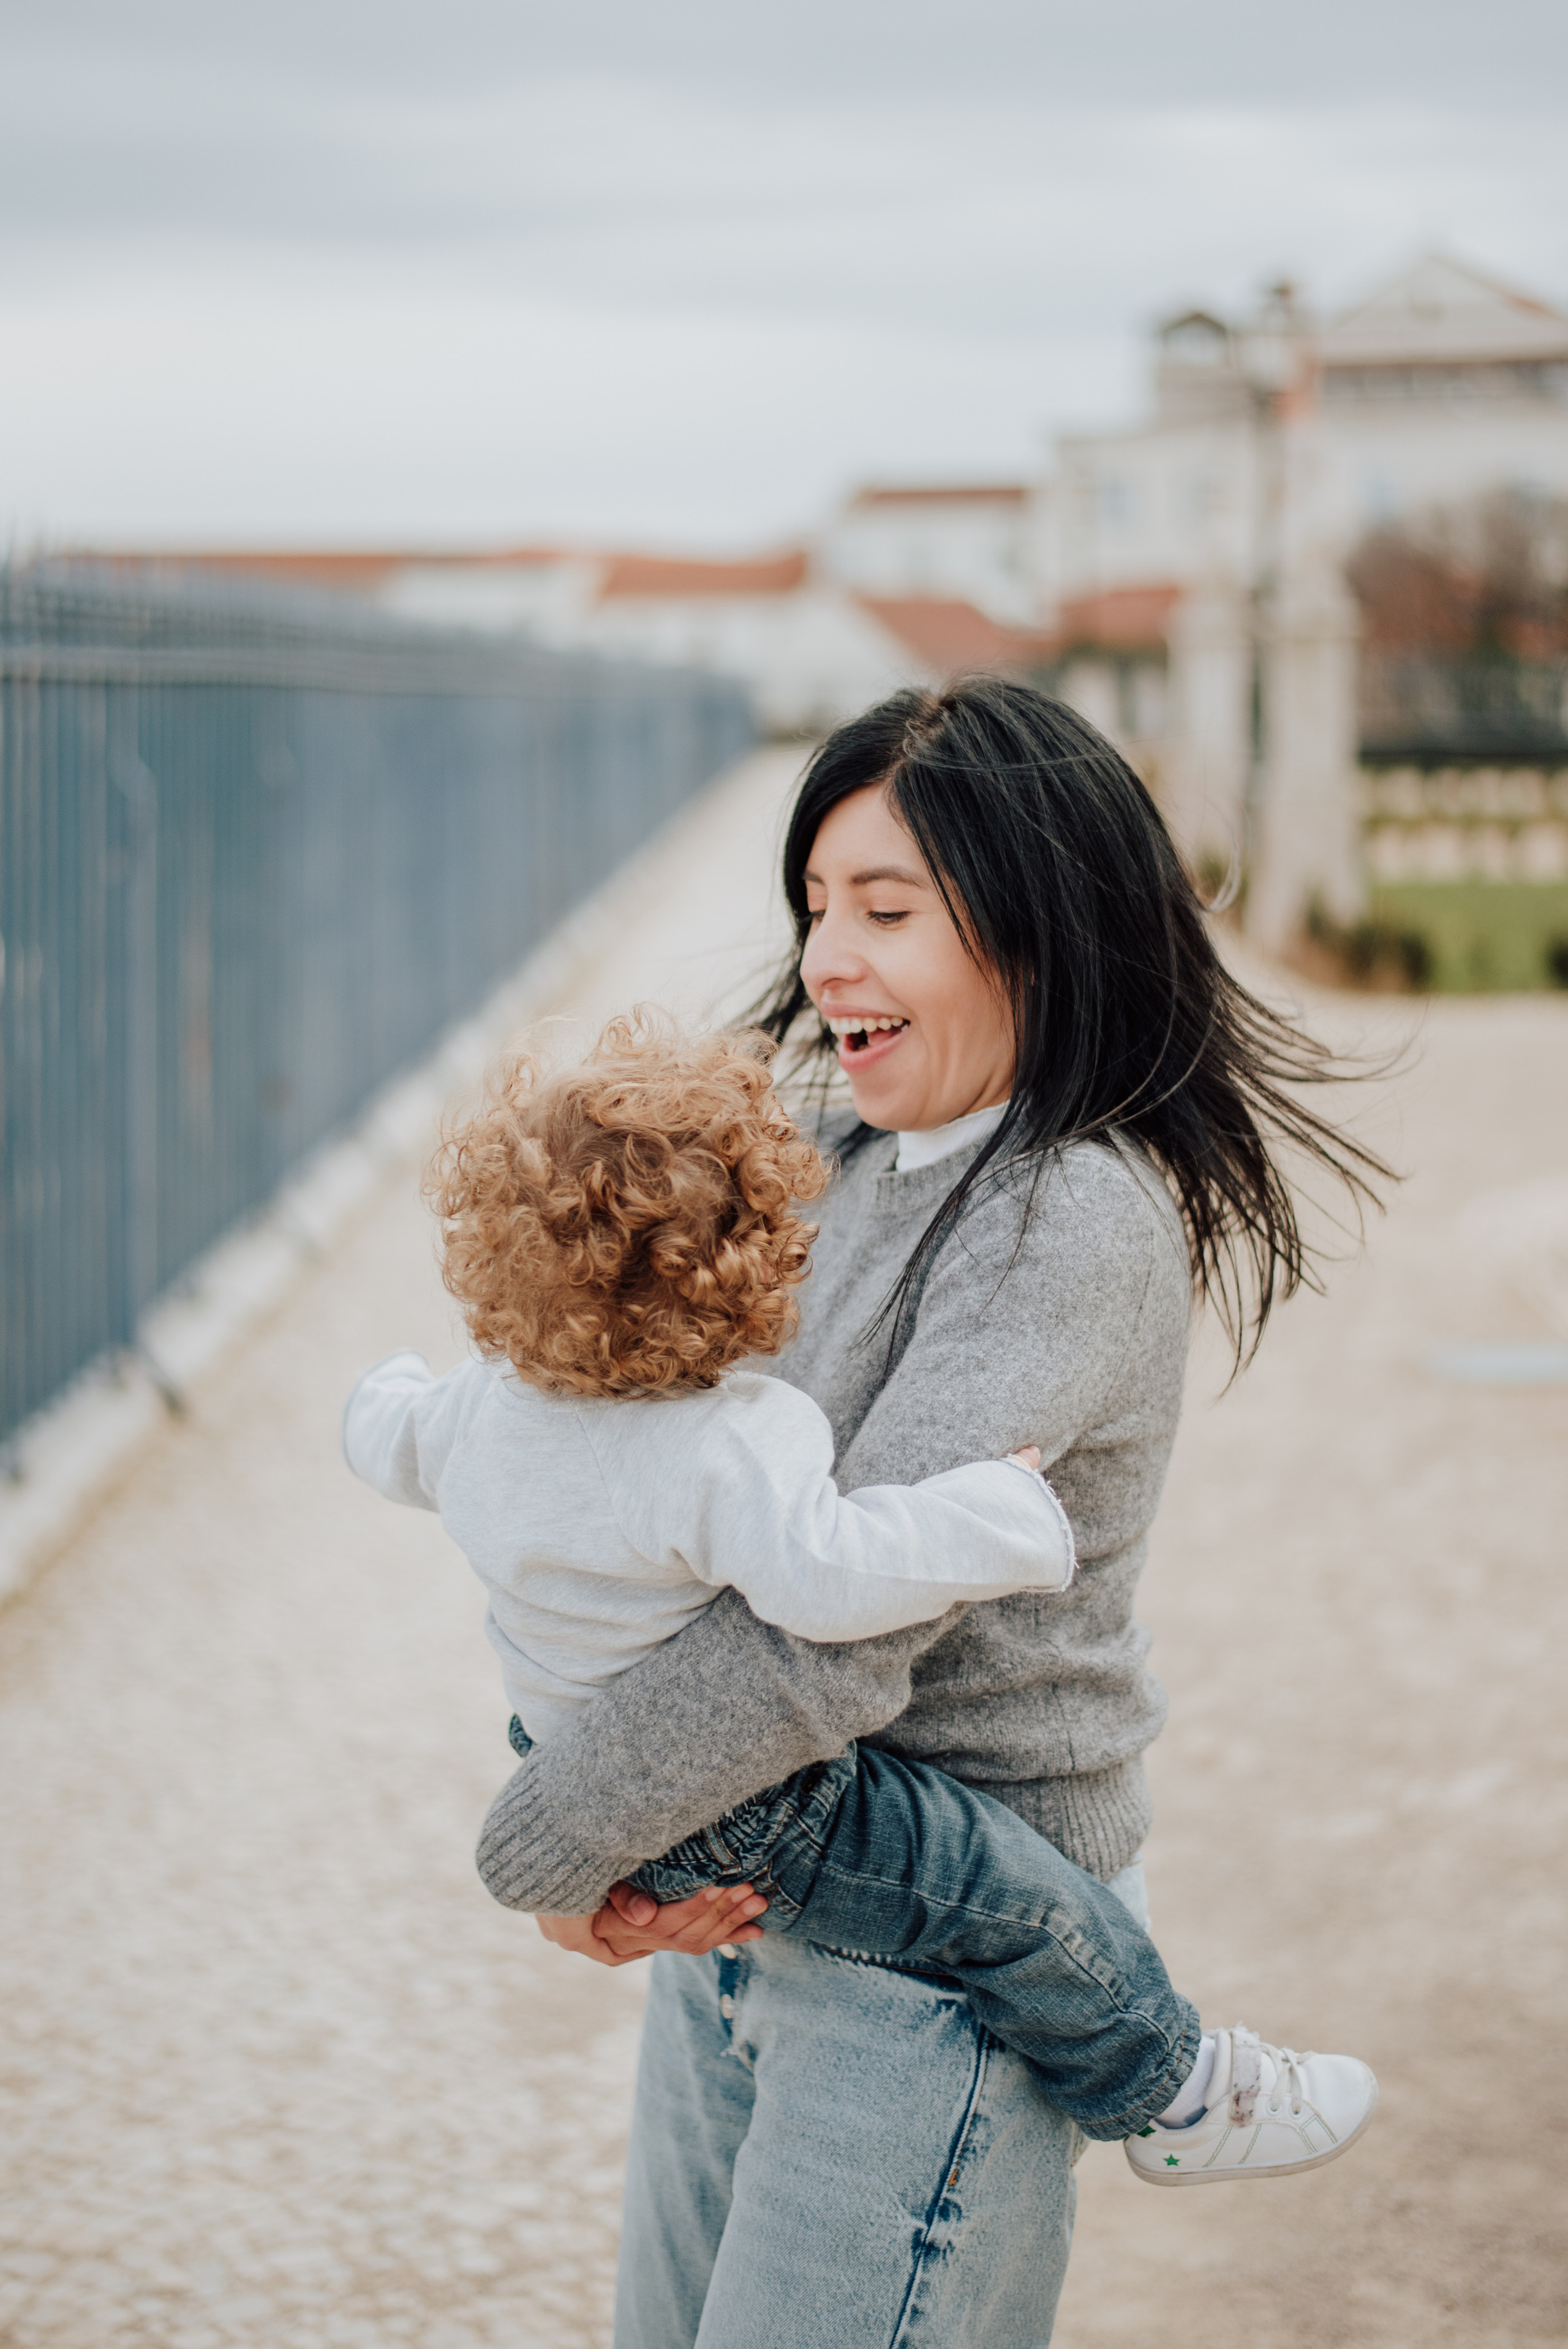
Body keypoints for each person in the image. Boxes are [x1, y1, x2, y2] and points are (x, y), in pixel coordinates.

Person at [469, 680, 1394, 2347]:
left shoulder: (1069, 1210)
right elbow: (634, 1523)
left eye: (886, 909)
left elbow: (835, 1642)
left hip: (935, 1987)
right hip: (737, 1932)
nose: (829, 958)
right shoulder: (823, 1164)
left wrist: (556, 1840)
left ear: (1033, 926)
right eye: (819, 906)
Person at [344, 1018, 1377, 2184]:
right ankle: (1176, 2091)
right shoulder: (739, 1440)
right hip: (746, 1803)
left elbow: (386, 1437)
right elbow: (828, 1587)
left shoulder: (479, 1408)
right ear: (758, 1259)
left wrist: (372, 1393)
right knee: (1003, 1895)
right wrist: (1000, 1516)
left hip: (566, 1744)